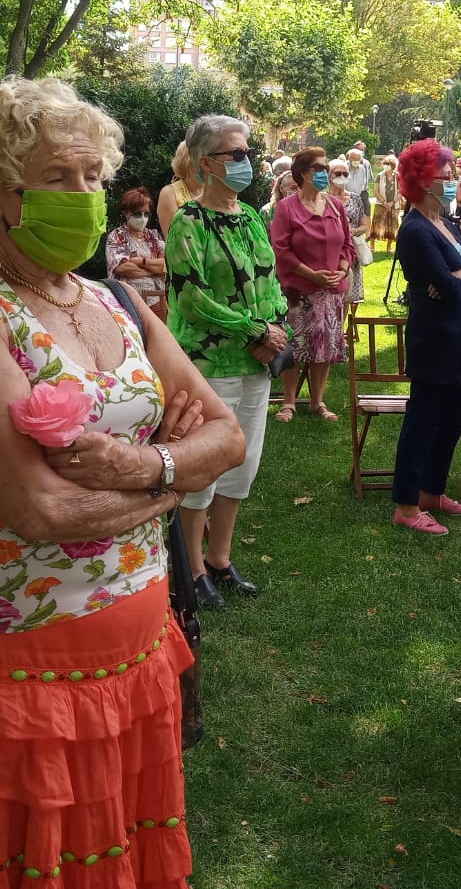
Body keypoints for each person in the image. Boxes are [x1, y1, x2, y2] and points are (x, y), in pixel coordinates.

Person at [0, 78, 245, 889]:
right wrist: (171, 482)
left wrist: (142, 467)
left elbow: (226, 437)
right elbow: (41, 508)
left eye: (94, 177)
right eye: (61, 177)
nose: (87, 196)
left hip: (137, 640)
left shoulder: (112, 298)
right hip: (29, 659)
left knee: (117, 855)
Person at [168, 114, 288, 607]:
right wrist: (255, 329)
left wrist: (277, 330)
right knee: (205, 467)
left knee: (242, 464)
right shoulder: (187, 222)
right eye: (235, 155)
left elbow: (271, 282)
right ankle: (192, 567)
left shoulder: (253, 218)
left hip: (255, 364)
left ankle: (220, 558)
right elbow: (192, 299)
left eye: (247, 153)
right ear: (205, 164)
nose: (246, 162)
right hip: (208, 365)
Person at [390, 139, 461, 535]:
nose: (452, 182)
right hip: (433, 340)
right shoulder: (414, 229)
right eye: (445, 177)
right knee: (423, 421)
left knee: (452, 418)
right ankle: (407, 503)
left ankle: (432, 491)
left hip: (460, 337)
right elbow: (450, 289)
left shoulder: (447, 225)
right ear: (422, 181)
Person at [268, 147, 353, 423]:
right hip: (297, 291)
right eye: (319, 168)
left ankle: (317, 401)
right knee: (294, 343)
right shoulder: (286, 207)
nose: (325, 173)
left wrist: (341, 271)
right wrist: (312, 275)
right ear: (304, 173)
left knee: (324, 346)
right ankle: (289, 401)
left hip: (331, 291)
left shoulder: (336, 206)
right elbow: (281, 250)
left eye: (325, 168)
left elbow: (347, 246)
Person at [105, 187, 168, 322]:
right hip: (127, 302)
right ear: (126, 213)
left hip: (157, 299)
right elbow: (122, 268)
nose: (142, 218)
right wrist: (153, 269)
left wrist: (141, 261)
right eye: (137, 214)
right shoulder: (117, 236)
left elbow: (168, 264)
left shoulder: (154, 236)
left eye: (146, 214)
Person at [331, 157, 369, 306]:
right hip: (331, 251)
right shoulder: (322, 198)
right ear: (329, 175)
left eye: (345, 174)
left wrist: (352, 231)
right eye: (337, 173)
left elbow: (364, 225)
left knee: (349, 296)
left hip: (350, 250)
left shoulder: (355, 198)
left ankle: (345, 327)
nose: (342, 177)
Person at [156, 139, 203, 237]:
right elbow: (175, 238)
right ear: (187, 164)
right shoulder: (169, 193)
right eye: (201, 161)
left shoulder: (212, 191)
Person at [371, 153, 402, 251]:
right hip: (381, 204)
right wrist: (384, 202)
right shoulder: (379, 176)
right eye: (384, 164)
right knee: (377, 223)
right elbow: (376, 192)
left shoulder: (398, 176)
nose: (385, 166)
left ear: (393, 166)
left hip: (394, 204)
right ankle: (372, 246)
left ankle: (389, 247)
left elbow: (401, 191)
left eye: (387, 164)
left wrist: (392, 202)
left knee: (392, 225)